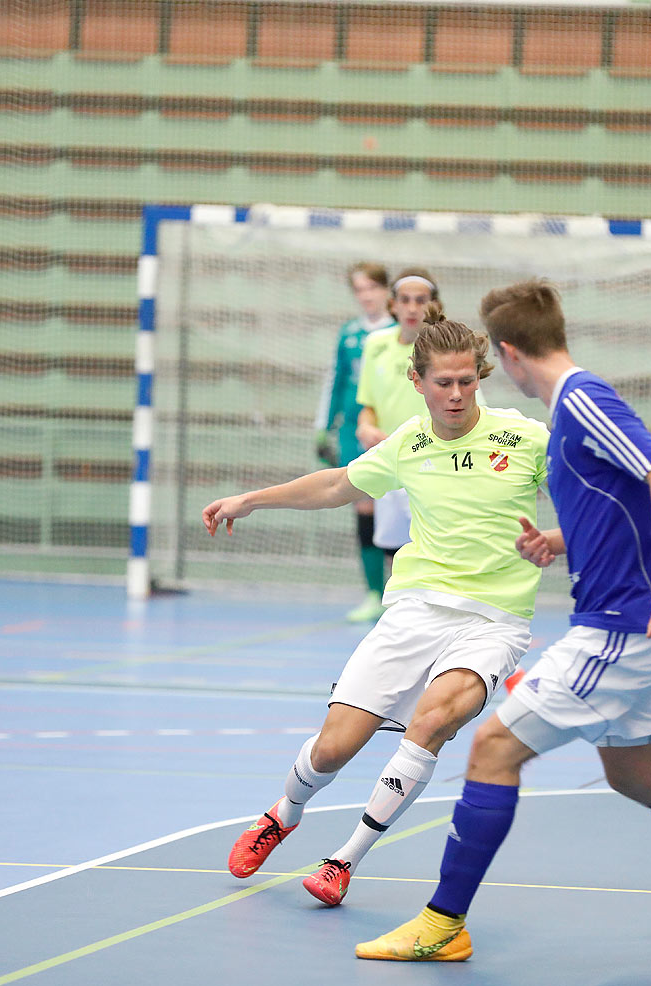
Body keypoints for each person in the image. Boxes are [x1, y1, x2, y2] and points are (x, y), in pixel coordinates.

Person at [357, 279, 651, 963]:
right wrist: (561, 543)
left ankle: (442, 924)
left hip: (619, 628)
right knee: (637, 775)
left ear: (509, 354)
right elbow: (623, 499)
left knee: (491, 751)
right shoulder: (574, 407)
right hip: (626, 619)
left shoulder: (579, 399)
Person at [204, 305, 550, 907]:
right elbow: (337, 485)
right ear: (416, 383)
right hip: (415, 611)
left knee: (434, 721)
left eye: (468, 380)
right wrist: (251, 499)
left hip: (494, 619)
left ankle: (344, 860)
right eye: (443, 382)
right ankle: (283, 814)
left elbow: (592, 495)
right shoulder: (407, 443)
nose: (457, 393)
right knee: (335, 747)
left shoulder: (524, 438)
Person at [315, 262, 397, 622]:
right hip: (353, 428)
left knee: (395, 509)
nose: (366, 296)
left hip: (390, 425)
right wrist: (324, 426)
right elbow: (335, 381)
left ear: (385, 291)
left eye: (372, 288)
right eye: (359, 290)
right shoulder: (349, 334)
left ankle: (399, 593)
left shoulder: (400, 332)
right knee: (362, 506)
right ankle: (373, 594)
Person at [354, 268, 443, 560]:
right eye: (405, 300)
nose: (412, 308)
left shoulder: (446, 349)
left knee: (433, 553)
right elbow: (368, 407)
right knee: (395, 555)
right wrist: (365, 428)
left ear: (435, 305)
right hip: (392, 464)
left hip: (434, 465)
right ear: (392, 304)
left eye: (421, 300)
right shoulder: (376, 344)